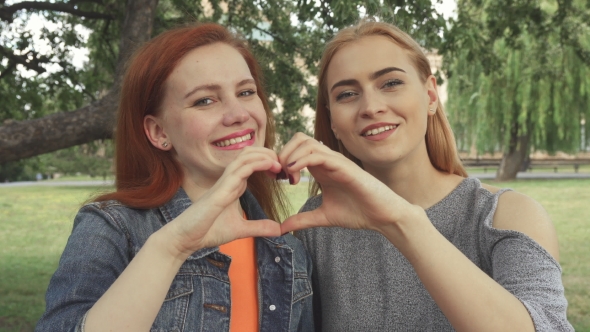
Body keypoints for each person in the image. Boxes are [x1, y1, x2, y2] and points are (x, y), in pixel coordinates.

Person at [278, 20, 573, 331]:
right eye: (347, 94)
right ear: (333, 122)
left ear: (431, 96)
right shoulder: (318, 224)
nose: (371, 107)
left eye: (390, 83)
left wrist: (403, 222)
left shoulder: (505, 215)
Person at [36, 23, 313, 332]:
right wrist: (172, 247)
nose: (237, 113)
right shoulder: (112, 229)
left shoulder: (287, 249)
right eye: (204, 100)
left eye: (246, 92)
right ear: (159, 132)